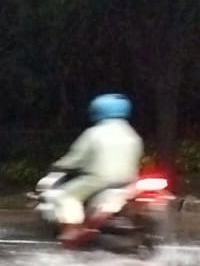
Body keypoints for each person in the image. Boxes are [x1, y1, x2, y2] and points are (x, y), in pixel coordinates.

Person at [50, 93, 143, 247]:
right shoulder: (132, 134)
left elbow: (76, 158)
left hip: (100, 181)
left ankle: (71, 231)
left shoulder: (94, 133)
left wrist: (60, 165)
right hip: (127, 182)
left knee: (66, 196)